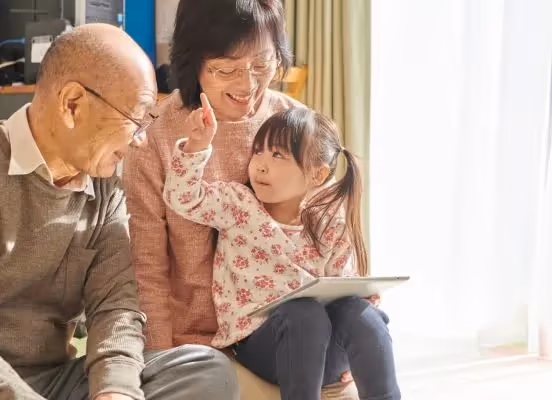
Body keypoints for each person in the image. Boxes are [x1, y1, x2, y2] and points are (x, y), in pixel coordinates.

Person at [0, 24, 238, 400]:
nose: (140, 138)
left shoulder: (105, 187)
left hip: (59, 382)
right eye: (136, 118)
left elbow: (116, 307)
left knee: (205, 370)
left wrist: (116, 392)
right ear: (72, 104)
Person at [163, 96, 401, 400]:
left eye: (277, 155)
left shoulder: (329, 222)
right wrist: (196, 146)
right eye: (258, 152)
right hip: (263, 348)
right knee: (302, 314)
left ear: (317, 174)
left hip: (325, 351)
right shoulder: (239, 205)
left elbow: (344, 290)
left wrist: (360, 349)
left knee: (360, 312)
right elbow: (183, 197)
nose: (260, 164)